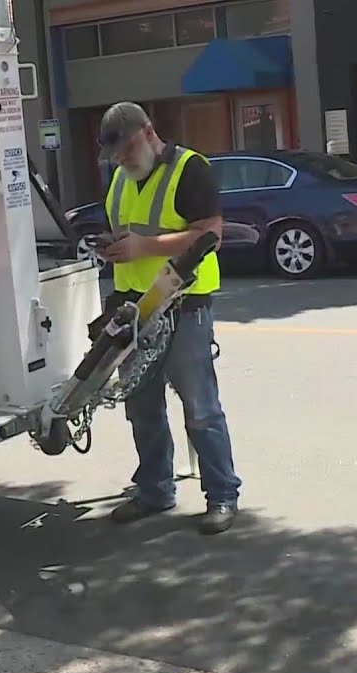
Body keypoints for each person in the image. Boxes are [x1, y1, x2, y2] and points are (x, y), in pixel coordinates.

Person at [94, 101, 243, 535]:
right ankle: (155, 489)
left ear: (148, 131)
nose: (122, 159)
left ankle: (222, 495)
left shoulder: (190, 169)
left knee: (199, 406)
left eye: (127, 148)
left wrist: (144, 246)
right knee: (142, 406)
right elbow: (128, 231)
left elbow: (210, 233)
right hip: (134, 306)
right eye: (116, 154)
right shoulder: (121, 179)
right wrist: (113, 245)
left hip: (184, 301)